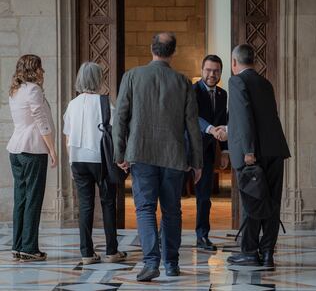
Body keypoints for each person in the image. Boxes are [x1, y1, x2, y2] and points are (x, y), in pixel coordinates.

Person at [112, 32, 203, 281]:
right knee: (172, 211)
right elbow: (192, 125)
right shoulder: (183, 82)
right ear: (173, 52)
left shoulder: (131, 76)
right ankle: (171, 263)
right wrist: (197, 162)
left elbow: (119, 118)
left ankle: (151, 262)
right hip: (174, 156)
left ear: (151, 48)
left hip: (141, 154)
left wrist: (119, 153)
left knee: (145, 209)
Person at [225, 44, 290, 267]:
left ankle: (250, 252)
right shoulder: (265, 83)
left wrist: (248, 150)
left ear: (234, 62)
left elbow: (243, 117)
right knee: (271, 202)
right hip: (275, 150)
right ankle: (268, 253)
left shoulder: (236, 81)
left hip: (254, 154)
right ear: (253, 61)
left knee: (252, 201)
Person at [63, 62, 126, 265]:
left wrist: (71, 163)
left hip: (78, 160)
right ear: (99, 79)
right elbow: (116, 135)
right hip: (100, 160)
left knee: (85, 205)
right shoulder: (105, 104)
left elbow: (67, 137)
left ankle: (87, 253)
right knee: (108, 203)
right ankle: (111, 251)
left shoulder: (72, 104)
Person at [7, 54, 57, 262]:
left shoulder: (15, 90)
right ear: (33, 69)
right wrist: (52, 149)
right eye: (40, 67)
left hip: (16, 150)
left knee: (21, 198)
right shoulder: (33, 90)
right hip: (33, 149)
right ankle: (30, 248)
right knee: (33, 199)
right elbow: (40, 120)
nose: (42, 71)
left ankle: (18, 245)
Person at [193, 55, 229, 251]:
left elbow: (223, 119)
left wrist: (225, 150)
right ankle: (164, 236)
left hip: (207, 152)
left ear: (220, 73)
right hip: (187, 150)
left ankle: (202, 236)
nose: (211, 74)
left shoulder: (223, 94)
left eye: (216, 71)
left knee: (204, 197)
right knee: (171, 196)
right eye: (208, 70)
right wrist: (211, 129)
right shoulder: (192, 91)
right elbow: (193, 116)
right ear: (202, 70)